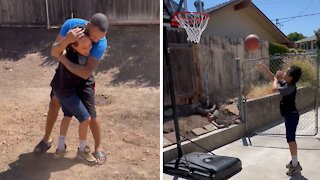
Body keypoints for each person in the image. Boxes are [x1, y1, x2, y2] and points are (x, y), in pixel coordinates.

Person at [34, 13, 108, 164]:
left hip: (84, 81)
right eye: (93, 37)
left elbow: (85, 72)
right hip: (64, 77)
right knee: (54, 104)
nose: (95, 41)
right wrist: (67, 40)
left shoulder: (100, 43)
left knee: (90, 114)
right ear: (87, 25)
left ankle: (98, 147)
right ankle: (46, 139)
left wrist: (63, 59)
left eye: (98, 38)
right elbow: (54, 52)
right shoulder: (70, 26)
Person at [52, 28, 96, 164]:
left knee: (67, 116)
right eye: (83, 47)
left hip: (59, 89)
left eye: (89, 46)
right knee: (85, 119)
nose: (88, 50)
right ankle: (82, 150)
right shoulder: (80, 60)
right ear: (73, 45)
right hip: (67, 92)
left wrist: (66, 42)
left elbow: (58, 51)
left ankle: (60, 147)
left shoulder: (65, 52)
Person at [258, 63, 302, 176]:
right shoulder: (287, 83)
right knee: (290, 139)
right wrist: (264, 68)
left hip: (292, 116)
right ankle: (294, 162)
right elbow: (273, 78)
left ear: (291, 77)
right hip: (290, 115)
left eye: (286, 73)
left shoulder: (290, 87)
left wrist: (277, 79)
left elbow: (274, 88)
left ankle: (296, 165)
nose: (284, 73)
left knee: (291, 139)